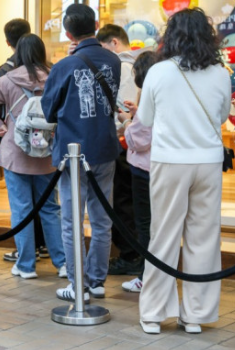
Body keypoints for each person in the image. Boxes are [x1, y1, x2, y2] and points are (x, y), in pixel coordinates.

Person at [136, 8, 230, 335]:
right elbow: (221, 117)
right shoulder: (220, 73)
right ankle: (195, 316)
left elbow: (145, 119)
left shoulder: (159, 72)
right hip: (207, 161)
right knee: (204, 238)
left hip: (169, 161)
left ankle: (152, 314)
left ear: (171, 35)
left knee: (163, 235)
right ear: (208, 36)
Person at [40, 3, 121, 302]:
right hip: (106, 147)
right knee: (102, 219)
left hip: (74, 151)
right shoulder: (113, 60)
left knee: (72, 220)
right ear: (96, 25)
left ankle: (78, 285)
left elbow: (49, 110)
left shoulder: (64, 66)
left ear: (68, 32)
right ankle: (97, 281)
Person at [0, 34, 66, 280]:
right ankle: (62, 263)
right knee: (50, 208)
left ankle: (26, 266)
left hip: (16, 152)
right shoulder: (55, 77)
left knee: (22, 210)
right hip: (46, 152)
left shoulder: (8, 79)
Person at [0, 18, 48, 263]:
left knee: (21, 205)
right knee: (49, 206)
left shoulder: (6, 74)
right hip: (46, 146)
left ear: (9, 42)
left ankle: (26, 260)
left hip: (17, 145)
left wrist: (1, 127)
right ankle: (58, 258)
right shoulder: (53, 73)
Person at [96, 24, 143, 276]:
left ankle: (129, 255)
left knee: (122, 201)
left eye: (102, 47)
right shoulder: (135, 65)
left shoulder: (123, 67)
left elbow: (122, 109)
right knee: (126, 200)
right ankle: (131, 253)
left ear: (114, 42)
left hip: (124, 141)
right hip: (132, 142)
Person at [114, 51, 159, 294]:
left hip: (144, 167)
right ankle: (158, 274)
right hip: (163, 166)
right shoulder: (164, 93)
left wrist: (126, 121)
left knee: (145, 225)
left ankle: (145, 276)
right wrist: (136, 112)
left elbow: (140, 138)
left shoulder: (151, 95)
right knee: (159, 225)